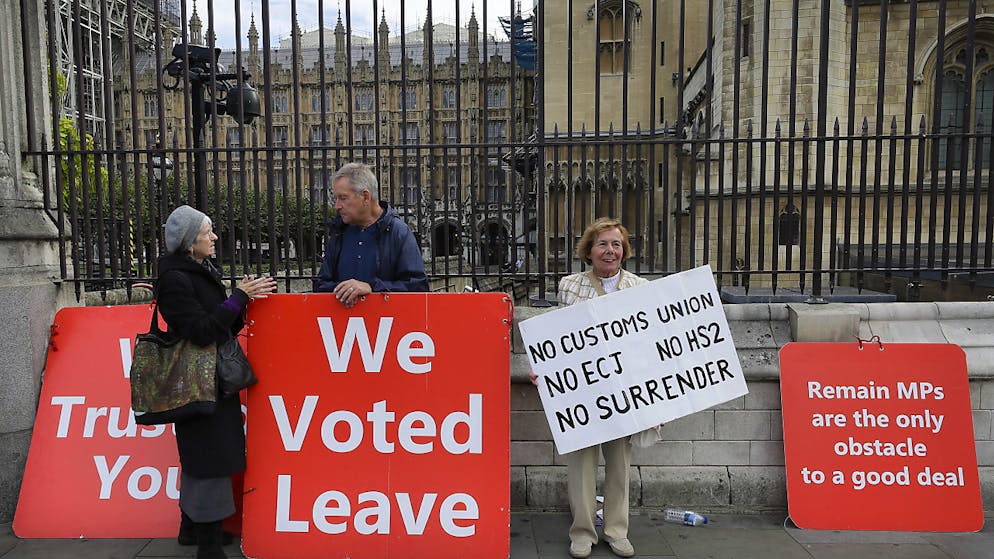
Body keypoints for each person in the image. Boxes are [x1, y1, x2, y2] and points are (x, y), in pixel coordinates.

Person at [156, 205, 277, 559]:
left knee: (206, 455)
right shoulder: (176, 280)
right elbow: (201, 331)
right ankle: (208, 547)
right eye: (207, 231)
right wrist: (238, 297)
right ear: (189, 241)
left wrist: (243, 304)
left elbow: (221, 325)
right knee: (209, 458)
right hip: (196, 380)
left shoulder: (200, 271)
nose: (214, 237)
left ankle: (190, 529)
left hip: (209, 379)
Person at [531, 217, 647, 559]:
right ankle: (582, 532)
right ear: (589, 251)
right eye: (602, 244)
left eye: (615, 244)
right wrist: (544, 369)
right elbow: (558, 336)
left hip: (624, 390)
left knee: (619, 463)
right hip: (582, 390)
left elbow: (649, 346)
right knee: (581, 463)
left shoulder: (640, 287)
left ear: (623, 251)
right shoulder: (570, 285)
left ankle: (616, 530)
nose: (609, 251)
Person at [314, 162, 428, 304]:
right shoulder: (339, 233)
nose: (337, 206)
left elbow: (417, 287)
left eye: (343, 198)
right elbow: (320, 287)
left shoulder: (399, 233)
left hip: (388, 324)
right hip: (342, 324)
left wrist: (372, 288)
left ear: (366, 197)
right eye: (336, 198)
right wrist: (346, 291)